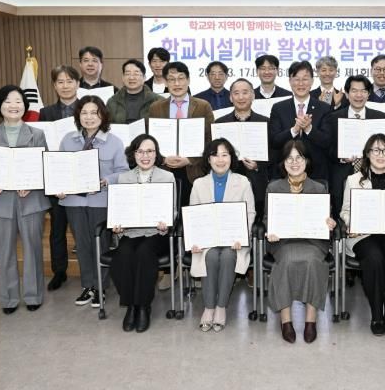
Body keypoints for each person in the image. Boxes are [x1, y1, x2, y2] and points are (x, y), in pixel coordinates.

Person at [0, 85, 51, 314]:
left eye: (18, 101)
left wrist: (31, 183)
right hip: (0, 202)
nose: (13, 106)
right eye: (8, 101)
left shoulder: (37, 134)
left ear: (25, 106)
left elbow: (44, 167)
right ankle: (8, 298)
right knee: (5, 252)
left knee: (32, 249)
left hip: (31, 201)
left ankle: (33, 295)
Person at [58, 95, 129, 307]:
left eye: (94, 113)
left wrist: (106, 180)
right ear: (78, 116)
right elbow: (59, 169)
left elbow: (123, 171)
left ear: (103, 115)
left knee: (101, 245)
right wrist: (58, 188)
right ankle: (87, 286)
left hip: (101, 200)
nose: (89, 117)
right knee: (82, 245)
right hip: (74, 202)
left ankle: (100, 287)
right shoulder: (68, 140)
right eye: (84, 113)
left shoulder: (114, 142)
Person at [149, 61, 214, 290]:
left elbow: (210, 140)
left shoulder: (202, 106)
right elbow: (150, 140)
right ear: (165, 82)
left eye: (180, 78)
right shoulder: (156, 107)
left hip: (192, 172)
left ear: (188, 80)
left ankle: (195, 268)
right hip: (165, 171)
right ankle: (169, 269)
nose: (176, 83)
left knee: (193, 221)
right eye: (171, 79)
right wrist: (162, 158)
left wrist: (190, 159)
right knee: (166, 221)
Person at [264, 140, 337, 344]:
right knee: (287, 261)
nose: (294, 162)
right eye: (289, 158)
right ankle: (286, 320)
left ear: (307, 161)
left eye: (299, 158)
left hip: (312, 241)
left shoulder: (319, 188)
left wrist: (330, 223)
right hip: (283, 242)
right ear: (283, 163)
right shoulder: (274, 187)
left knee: (313, 262)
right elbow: (267, 218)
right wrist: (271, 230)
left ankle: (310, 321)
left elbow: (327, 218)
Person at [340, 134, 385, 337]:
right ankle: (376, 314)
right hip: (364, 235)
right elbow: (345, 211)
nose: (380, 155)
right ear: (367, 154)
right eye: (375, 150)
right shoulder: (354, 180)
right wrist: (352, 222)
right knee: (374, 257)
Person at [189, 139, 256, 332]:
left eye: (225, 155)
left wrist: (241, 236)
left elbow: (250, 213)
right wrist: (195, 240)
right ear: (208, 159)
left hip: (234, 240)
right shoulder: (199, 184)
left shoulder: (243, 182)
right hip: (207, 241)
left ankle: (220, 307)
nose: (220, 160)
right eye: (215, 155)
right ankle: (209, 307)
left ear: (231, 158)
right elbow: (194, 216)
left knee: (227, 256)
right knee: (210, 256)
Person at [110, 134, 175, 333]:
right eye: (140, 151)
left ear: (156, 154)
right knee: (123, 254)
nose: (145, 156)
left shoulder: (167, 177)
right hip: (131, 231)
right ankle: (131, 305)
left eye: (150, 151)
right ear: (133, 154)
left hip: (157, 233)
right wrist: (117, 225)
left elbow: (173, 210)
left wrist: (166, 222)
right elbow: (119, 208)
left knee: (144, 253)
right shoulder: (124, 178)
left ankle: (143, 306)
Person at [40, 65, 81, 291]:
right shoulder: (45, 113)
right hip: (56, 176)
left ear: (77, 83)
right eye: (60, 82)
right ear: (54, 86)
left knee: (82, 228)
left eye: (69, 81)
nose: (65, 86)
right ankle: (59, 271)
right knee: (57, 227)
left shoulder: (88, 108)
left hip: (81, 176)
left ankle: (92, 271)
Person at [326, 75, 385, 215]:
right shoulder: (334, 117)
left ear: (368, 94)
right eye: (354, 91)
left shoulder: (380, 117)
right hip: (342, 173)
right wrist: (341, 157)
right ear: (347, 94)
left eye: (363, 91)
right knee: (341, 212)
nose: (359, 95)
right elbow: (327, 148)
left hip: (375, 173)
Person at [214, 78, 269, 222]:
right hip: (228, 184)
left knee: (255, 223)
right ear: (230, 97)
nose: (241, 97)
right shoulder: (220, 124)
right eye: (236, 93)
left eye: (245, 92)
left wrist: (257, 165)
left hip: (257, 186)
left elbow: (274, 155)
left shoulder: (265, 122)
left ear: (253, 95)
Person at [269, 60, 331, 181]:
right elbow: (274, 141)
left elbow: (327, 142)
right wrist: (294, 130)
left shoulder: (324, 108)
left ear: (312, 81)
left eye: (305, 79)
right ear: (290, 81)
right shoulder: (278, 108)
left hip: (316, 175)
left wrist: (309, 129)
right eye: (296, 79)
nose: (301, 83)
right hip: (284, 174)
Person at [106, 59, 163, 125]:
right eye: (128, 74)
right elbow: (107, 126)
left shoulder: (158, 101)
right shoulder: (112, 102)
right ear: (123, 77)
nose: (131, 77)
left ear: (144, 78)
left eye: (136, 74)